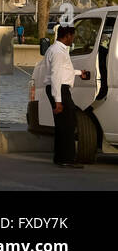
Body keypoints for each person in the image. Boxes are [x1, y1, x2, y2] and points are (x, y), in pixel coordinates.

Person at [45, 23, 90, 168]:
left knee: (62, 124)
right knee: (68, 124)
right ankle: (67, 159)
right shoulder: (58, 52)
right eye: (73, 36)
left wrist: (79, 73)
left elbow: (64, 70)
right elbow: (56, 76)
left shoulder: (57, 49)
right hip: (59, 89)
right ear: (68, 36)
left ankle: (60, 157)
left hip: (58, 88)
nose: (73, 39)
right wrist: (58, 101)